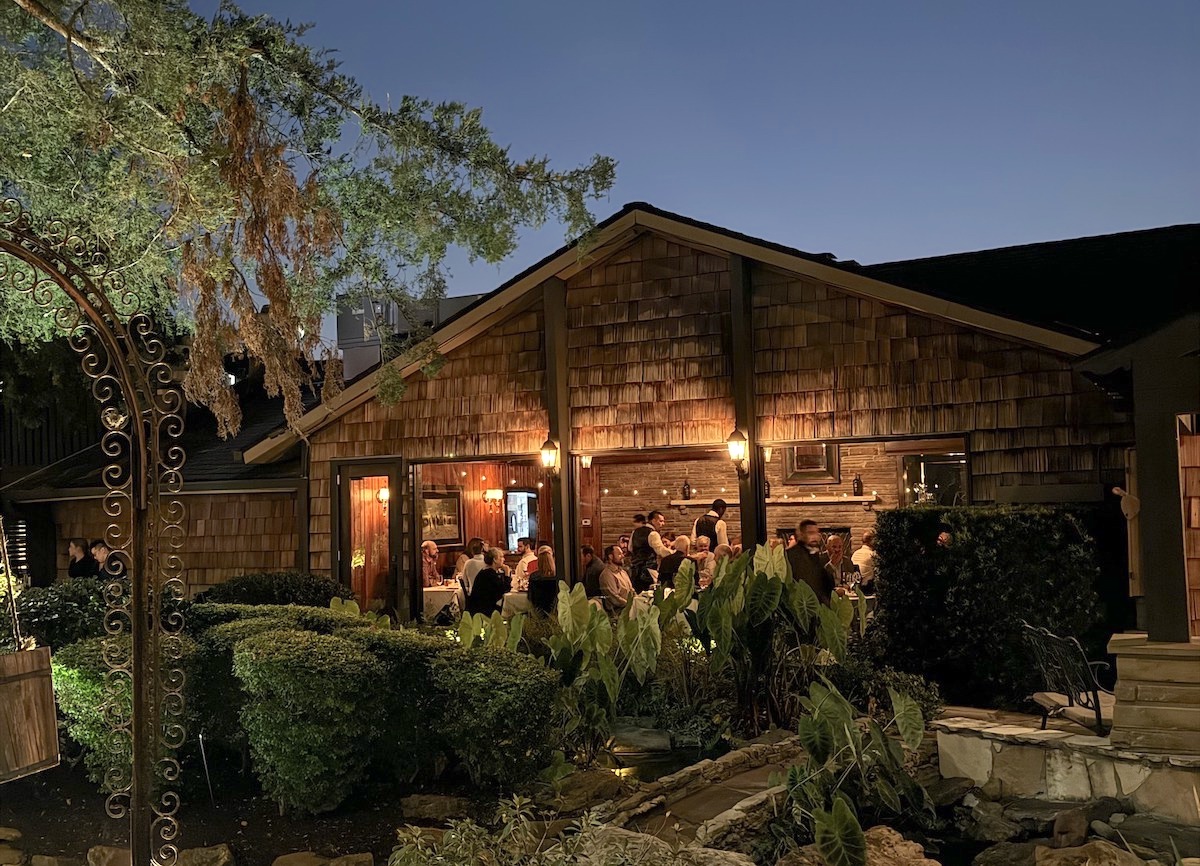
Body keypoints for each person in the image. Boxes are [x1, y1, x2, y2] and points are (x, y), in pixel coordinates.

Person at [785, 519, 834, 606]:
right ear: (801, 535)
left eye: (816, 533)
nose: (814, 537)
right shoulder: (792, 555)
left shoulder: (816, 555)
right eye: (810, 533)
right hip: (801, 606)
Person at [629, 511, 672, 592]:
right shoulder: (653, 534)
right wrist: (674, 553)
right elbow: (661, 551)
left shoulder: (635, 532)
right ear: (653, 521)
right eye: (661, 521)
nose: (663, 524)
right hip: (648, 571)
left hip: (635, 571)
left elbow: (630, 548)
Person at [465, 548, 510, 616]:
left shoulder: (487, 571)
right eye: (501, 557)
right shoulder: (489, 573)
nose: (504, 559)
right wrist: (507, 574)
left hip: (482, 607)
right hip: (483, 610)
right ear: (494, 559)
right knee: (511, 611)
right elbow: (505, 589)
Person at [598, 544, 634, 612]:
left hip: (630, 609)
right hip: (619, 613)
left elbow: (631, 590)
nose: (623, 556)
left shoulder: (623, 572)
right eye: (619, 554)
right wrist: (631, 605)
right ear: (610, 557)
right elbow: (614, 598)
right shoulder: (606, 575)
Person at [527, 549, 558, 615]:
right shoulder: (557, 576)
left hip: (538, 611)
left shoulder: (534, 576)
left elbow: (530, 597)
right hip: (555, 611)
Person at [851, 528, 877, 593]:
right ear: (872, 541)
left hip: (854, 586)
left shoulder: (855, 553)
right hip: (867, 588)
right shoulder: (872, 554)